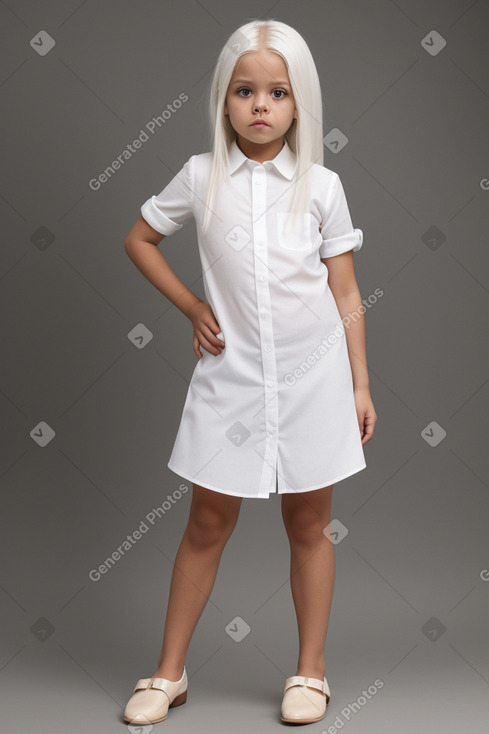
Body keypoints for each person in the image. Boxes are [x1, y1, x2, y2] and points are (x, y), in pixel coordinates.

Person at [122, 18, 377, 727]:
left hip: (314, 380)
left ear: (299, 105)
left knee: (309, 522)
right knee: (206, 519)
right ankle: (167, 674)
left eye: (277, 93)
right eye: (244, 90)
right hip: (229, 380)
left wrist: (358, 383)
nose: (260, 106)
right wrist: (189, 305)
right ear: (222, 99)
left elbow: (346, 294)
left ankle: (310, 673)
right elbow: (140, 238)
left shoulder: (321, 186)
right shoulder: (201, 177)